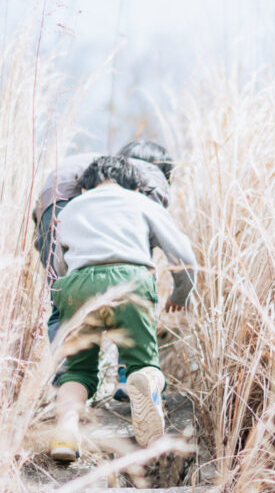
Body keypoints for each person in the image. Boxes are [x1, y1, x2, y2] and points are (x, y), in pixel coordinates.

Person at [46, 153, 196, 471]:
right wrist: (182, 292)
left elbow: (59, 264)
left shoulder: (71, 208)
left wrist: (68, 297)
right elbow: (182, 255)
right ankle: (142, 393)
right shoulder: (142, 203)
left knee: (78, 371)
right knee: (143, 364)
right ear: (134, 185)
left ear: (86, 186)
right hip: (129, 281)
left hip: (77, 285)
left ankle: (65, 434)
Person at [32, 140, 172, 270]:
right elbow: (143, 256)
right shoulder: (156, 180)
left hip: (52, 193)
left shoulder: (100, 167)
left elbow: (41, 238)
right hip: (59, 193)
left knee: (59, 289)